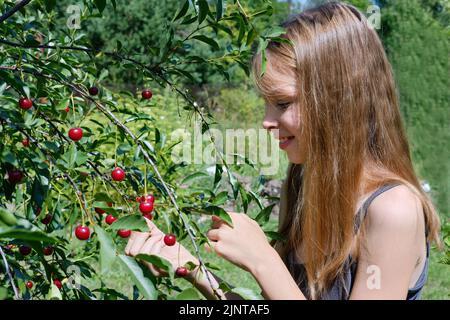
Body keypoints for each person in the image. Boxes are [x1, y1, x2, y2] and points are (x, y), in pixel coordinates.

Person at [125, 2, 442, 300]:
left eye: (283, 103)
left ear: (339, 100)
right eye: (266, 103)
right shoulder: (302, 181)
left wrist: (264, 261)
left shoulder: (391, 211)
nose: (266, 121)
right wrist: (191, 267)